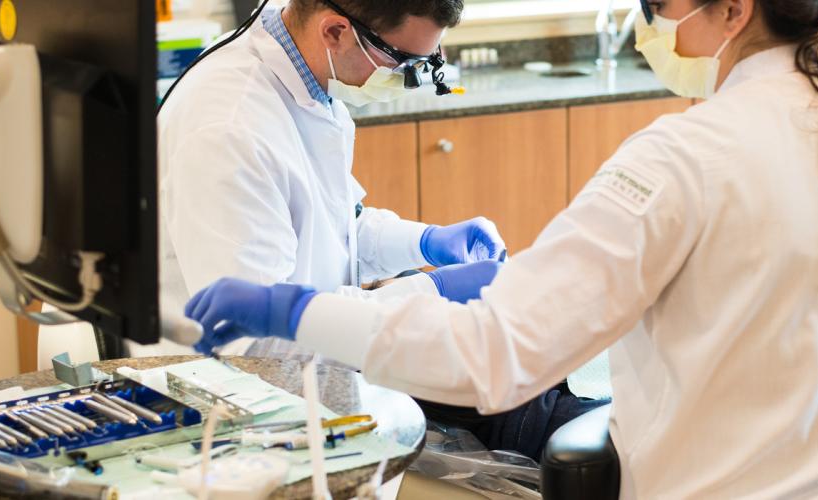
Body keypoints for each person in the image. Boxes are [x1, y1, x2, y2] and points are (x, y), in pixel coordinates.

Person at [183, 0, 818, 496]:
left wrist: (297, 310)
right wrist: (416, 254)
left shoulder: (685, 159)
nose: (652, 22)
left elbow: (492, 356)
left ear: (734, 11)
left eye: (660, 4)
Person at [153, 0, 602, 463]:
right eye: (405, 62)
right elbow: (255, 341)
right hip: (235, 407)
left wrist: (425, 241)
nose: (413, 77)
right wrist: (431, 290)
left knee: (522, 384)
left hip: (325, 363)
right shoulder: (230, 129)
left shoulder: (309, 82)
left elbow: (340, 224)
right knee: (521, 410)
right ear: (335, 32)